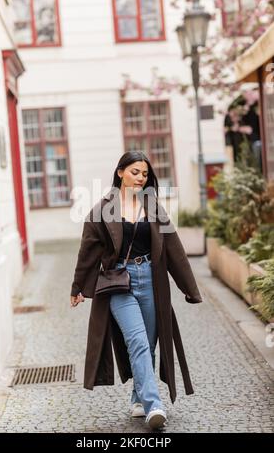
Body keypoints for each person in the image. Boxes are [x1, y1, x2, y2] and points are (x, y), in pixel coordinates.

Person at [70, 151, 203, 430]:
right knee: (138, 341)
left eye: (144, 173)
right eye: (134, 172)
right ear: (120, 172)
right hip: (120, 281)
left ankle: (138, 398)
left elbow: (173, 248)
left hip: (152, 279)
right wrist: (79, 287)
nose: (140, 178)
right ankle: (154, 405)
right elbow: (87, 252)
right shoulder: (102, 209)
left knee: (149, 343)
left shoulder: (152, 206)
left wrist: (189, 288)